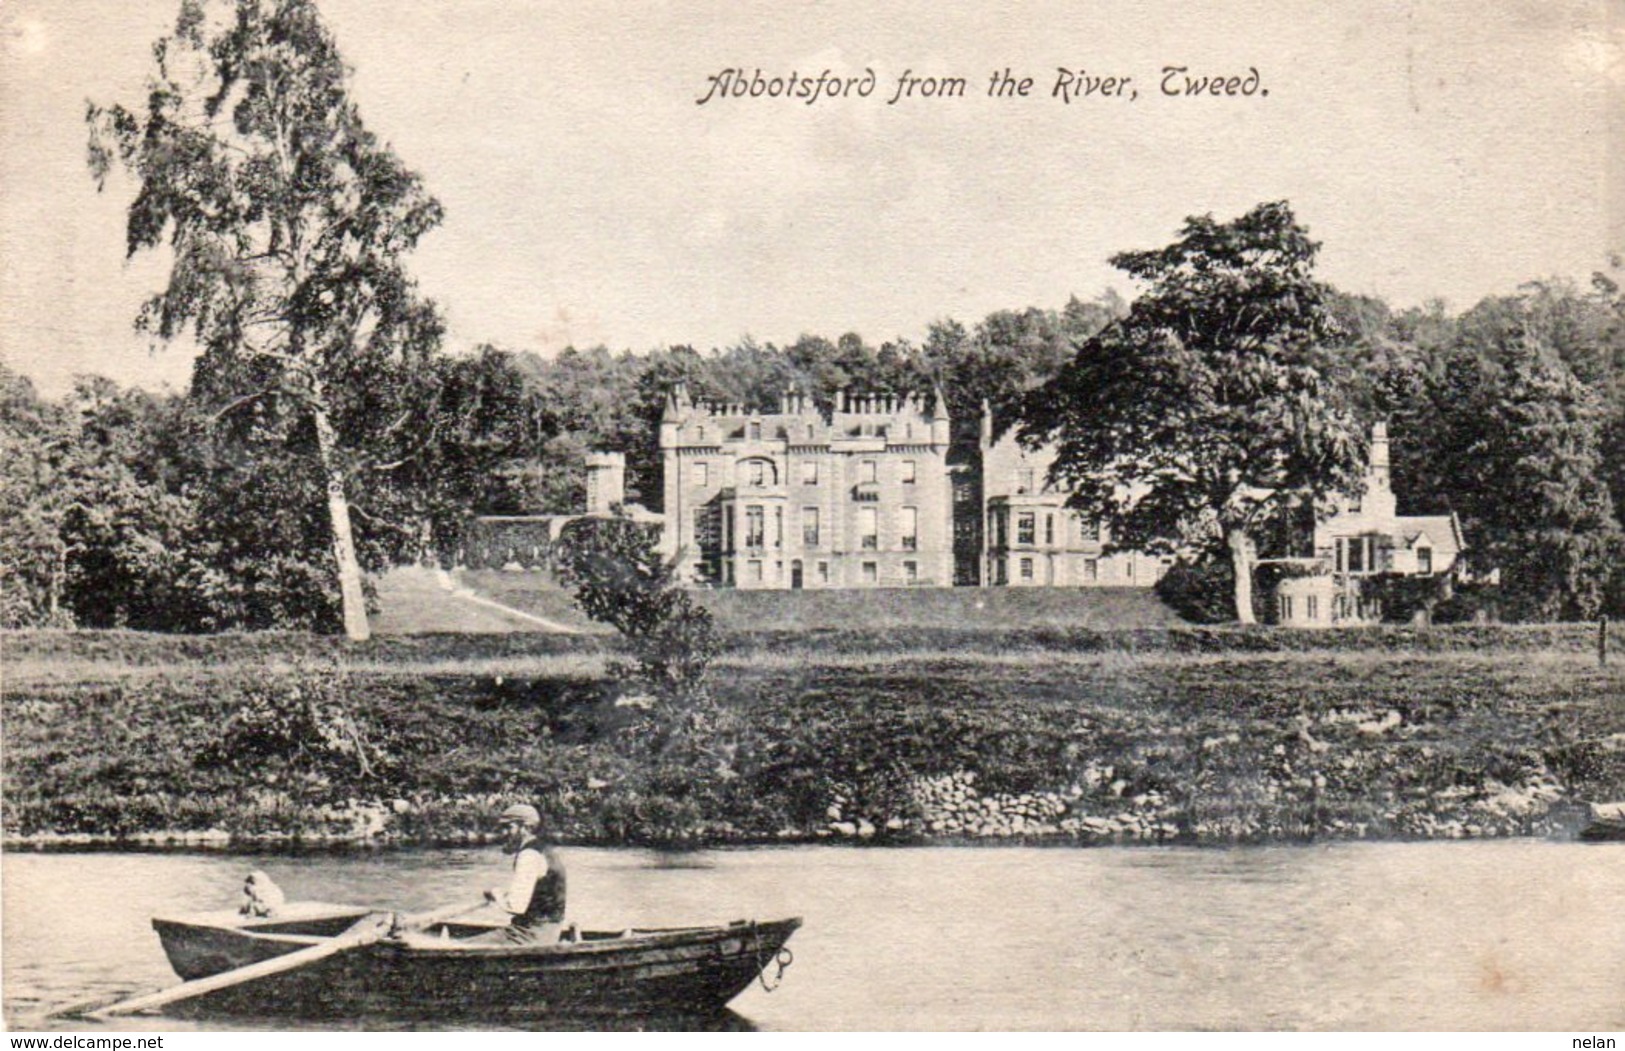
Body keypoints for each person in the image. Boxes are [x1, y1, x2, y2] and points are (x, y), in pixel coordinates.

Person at [483, 803, 567, 944]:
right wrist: (504, 895)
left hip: (529, 936)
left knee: (458, 945)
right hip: (549, 932)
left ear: (525, 828)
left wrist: (496, 894)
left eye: (508, 827)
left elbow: (517, 907)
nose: (502, 834)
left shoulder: (529, 855)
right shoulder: (545, 850)